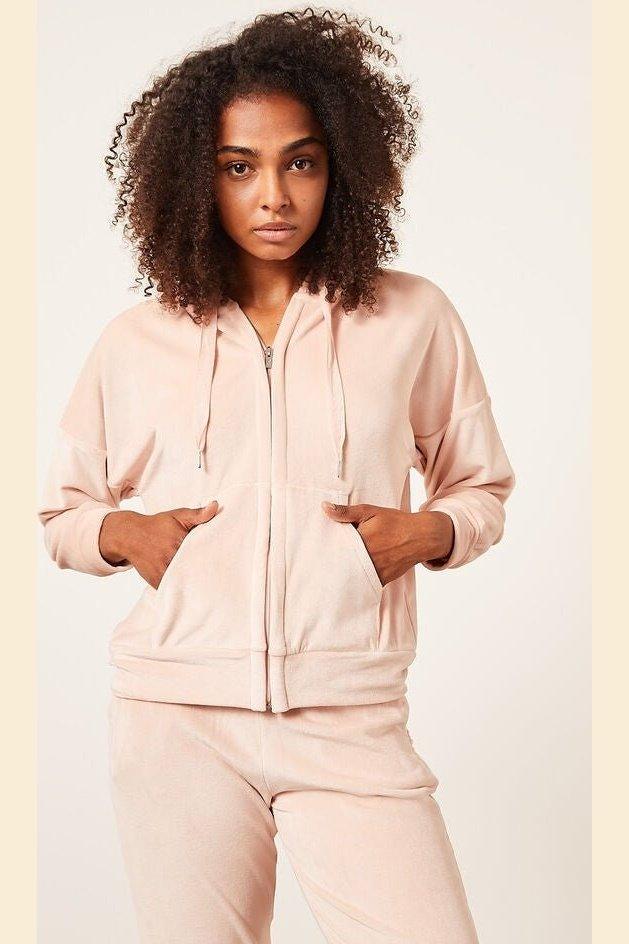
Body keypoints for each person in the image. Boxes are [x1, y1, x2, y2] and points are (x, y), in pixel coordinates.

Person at [37, 8, 516, 943]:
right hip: (176, 720)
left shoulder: (411, 317)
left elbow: (481, 488)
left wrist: (430, 532)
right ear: (194, 178)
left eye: (300, 162)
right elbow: (61, 513)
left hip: (349, 713)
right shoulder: (137, 341)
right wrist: (125, 534)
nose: (273, 197)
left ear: (341, 169)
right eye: (238, 167)